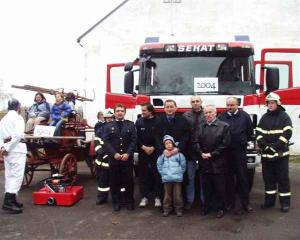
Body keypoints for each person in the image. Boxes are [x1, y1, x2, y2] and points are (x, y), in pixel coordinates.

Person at [256, 92, 292, 212]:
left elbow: (287, 133)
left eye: (272, 103)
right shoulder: (264, 117)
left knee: (283, 179)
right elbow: (258, 133)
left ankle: (285, 203)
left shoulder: (284, 116)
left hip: (280, 155)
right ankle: (269, 202)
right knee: (268, 179)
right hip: (267, 155)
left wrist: (275, 147)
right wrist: (264, 145)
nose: (270, 105)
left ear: (278, 103)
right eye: (268, 103)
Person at [218, 97, 254, 213]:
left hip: (240, 152)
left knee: (242, 178)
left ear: (237, 105)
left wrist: (244, 142)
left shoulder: (245, 116)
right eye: (228, 105)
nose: (230, 107)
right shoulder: (221, 117)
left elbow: (250, 132)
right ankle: (230, 203)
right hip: (226, 152)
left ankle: (246, 203)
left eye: (232, 105)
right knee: (228, 179)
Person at [194, 105, 230, 218]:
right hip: (204, 162)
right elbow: (195, 142)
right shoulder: (200, 126)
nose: (208, 115)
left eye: (210, 112)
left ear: (215, 113)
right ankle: (207, 207)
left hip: (218, 162)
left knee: (220, 187)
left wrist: (212, 154)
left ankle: (221, 208)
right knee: (206, 187)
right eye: (206, 113)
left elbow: (225, 144)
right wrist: (201, 153)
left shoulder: (224, 126)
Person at [102, 104, 137, 211]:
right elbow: (105, 142)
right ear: (114, 113)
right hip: (114, 159)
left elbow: (134, 140)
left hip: (127, 158)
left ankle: (129, 201)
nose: (120, 112)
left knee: (128, 181)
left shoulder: (130, 125)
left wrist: (128, 153)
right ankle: (116, 202)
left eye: (122, 111)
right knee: (114, 181)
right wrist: (114, 154)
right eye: (118, 111)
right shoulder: (108, 126)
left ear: (125, 112)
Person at [0, 99, 27, 214]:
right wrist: (7, 148)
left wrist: (2, 148)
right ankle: (9, 202)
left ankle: (11, 199)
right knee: (16, 175)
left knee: (9, 174)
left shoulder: (4, 119)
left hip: (7, 150)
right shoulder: (18, 118)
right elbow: (17, 136)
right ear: (18, 107)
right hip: (16, 150)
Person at [135, 103, 162, 208]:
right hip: (143, 153)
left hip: (156, 152)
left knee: (157, 175)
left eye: (144, 110)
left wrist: (154, 147)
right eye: (142, 110)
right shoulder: (139, 121)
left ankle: (158, 197)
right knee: (143, 175)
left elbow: (161, 136)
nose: (142, 112)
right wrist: (143, 147)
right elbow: (135, 137)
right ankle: (144, 197)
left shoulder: (159, 121)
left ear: (150, 111)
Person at [182, 95, 205, 210]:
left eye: (197, 101)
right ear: (190, 103)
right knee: (190, 177)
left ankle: (204, 200)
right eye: (193, 101)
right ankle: (190, 200)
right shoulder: (186, 115)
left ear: (201, 102)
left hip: (203, 150)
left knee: (203, 177)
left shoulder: (206, 114)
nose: (195, 103)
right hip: (190, 151)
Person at [157, 135, 186, 217]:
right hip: (166, 178)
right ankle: (167, 209)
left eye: (170, 143)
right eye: (166, 143)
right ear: (164, 145)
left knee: (178, 195)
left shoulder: (179, 155)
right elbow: (159, 164)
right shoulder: (163, 155)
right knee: (167, 195)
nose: (169, 145)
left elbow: (183, 165)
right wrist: (163, 173)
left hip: (177, 178)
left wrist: (180, 173)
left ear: (173, 144)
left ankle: (178, 209)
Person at [94, 108, 114, 205]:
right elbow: (97, 144)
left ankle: (119, 198)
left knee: (117, 182)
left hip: (114, 160)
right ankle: (102, 198)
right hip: (103, 162)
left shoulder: (117, 128)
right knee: (103, 182)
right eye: (107, 118)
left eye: (111, 118)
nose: (109, 119)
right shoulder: (100, 130)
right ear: (104, 118)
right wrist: (103, 154)